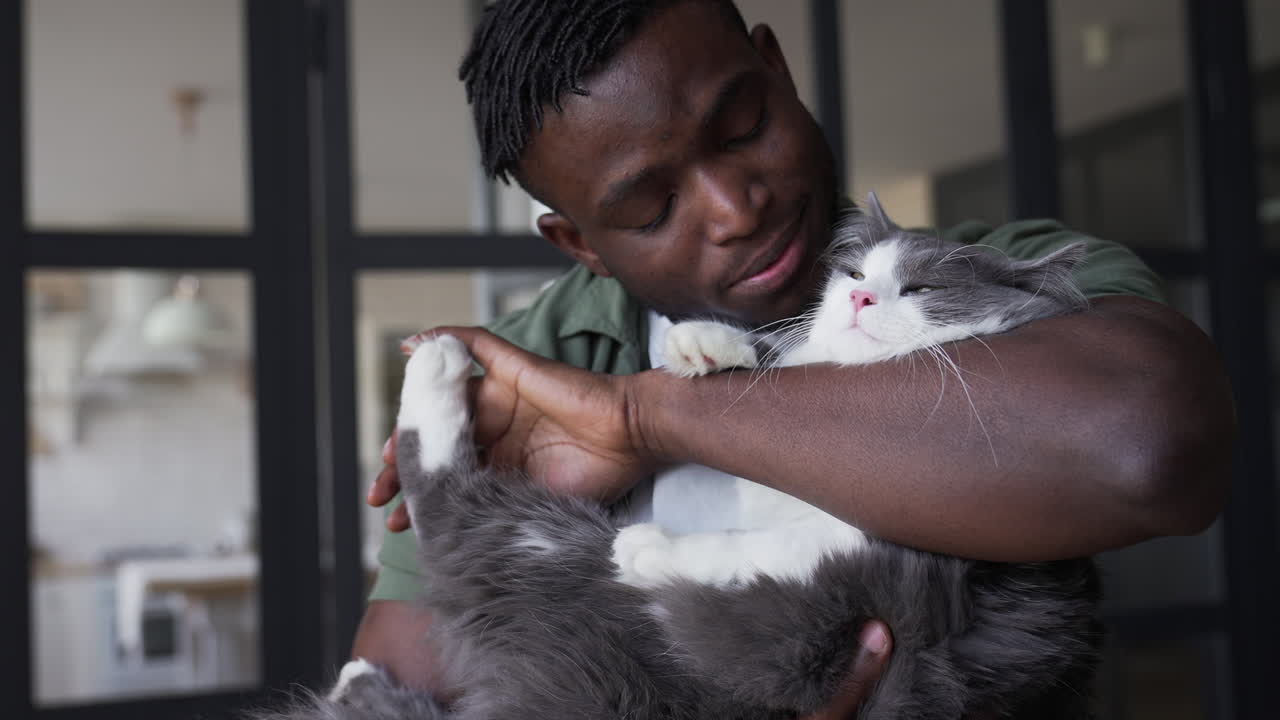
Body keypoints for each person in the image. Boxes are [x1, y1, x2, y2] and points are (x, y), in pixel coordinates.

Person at [354, 0, 1234, 716]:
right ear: (578, 243)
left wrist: (645, 417)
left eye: (741, 127)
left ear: (778, 71)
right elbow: (403, 680)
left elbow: (1148, 448)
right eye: (654, 207)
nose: (736, 206)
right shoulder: (534, 366)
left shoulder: (991, 276)